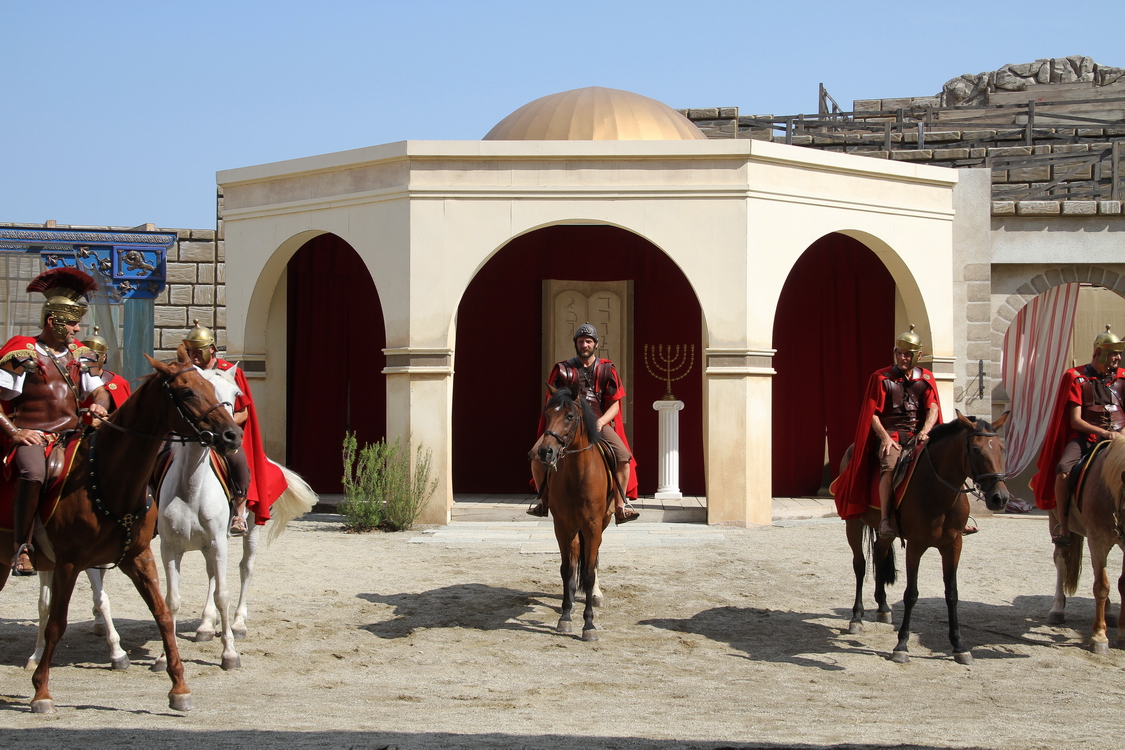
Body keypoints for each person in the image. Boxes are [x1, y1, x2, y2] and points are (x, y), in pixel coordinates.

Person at [0, 267, 110, 575]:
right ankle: (22, 547)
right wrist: (15, 431)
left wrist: (101, 405)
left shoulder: (82, 355)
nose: (77, 329)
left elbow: (99, 390)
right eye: (73, 323)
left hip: (74, 435)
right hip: (35, 435)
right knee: (33, 473)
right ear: (53, 320)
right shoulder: (23, 351)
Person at [833, 325, 942, 538]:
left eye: (907, 355)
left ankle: (951, 518)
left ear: (918, 356)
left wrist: (926, 430)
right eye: (899, 353)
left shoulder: (926, 378)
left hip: (918, 434)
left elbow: (934, 408)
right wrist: (884, 437)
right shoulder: (881, 377)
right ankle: (885, 519)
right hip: (892, 434)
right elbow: (871, 414)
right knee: (890, 466)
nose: (902, 358)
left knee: (946, 460)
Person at [180, 320, 286, 536]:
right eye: (190, 351)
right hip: (193, 435)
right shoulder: (187, 373)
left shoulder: (229, 372)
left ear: (212, 349)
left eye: (198, 351)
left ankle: (238, 512)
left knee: (238, 462)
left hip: (222, 437)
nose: (194, 356)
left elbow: (244, 412)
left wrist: (222, 425)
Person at [527, 322, 640, 524]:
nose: (584, 344)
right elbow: (552, 401)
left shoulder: (607, 369)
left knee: (624, 458)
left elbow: (615, 405)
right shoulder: (563, 369)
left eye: (588, 341)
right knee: (536, 455)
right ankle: (543, 502)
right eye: (581, 341)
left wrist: (601, 422)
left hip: (597, 422)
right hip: (568, 423)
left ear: (596, 344)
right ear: (576, 344)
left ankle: (621, 507)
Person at [1032, 325, 1125, 546]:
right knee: (1063, 470)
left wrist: (1120, 434)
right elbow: (1075, 421)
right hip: (1087, 438)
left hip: (1121, 439)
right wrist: (1103, 432)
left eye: (1119, 353)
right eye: (1113, 353)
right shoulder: (1077, 377)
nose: (1118, 357)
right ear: (1098, 352)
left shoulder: (1123, 377)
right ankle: (1064, 525)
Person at [78, 326, 131, 420]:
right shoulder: (72, 378)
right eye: (85, 356)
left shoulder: (118, 383)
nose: (90, 360)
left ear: (104, 357)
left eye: (94, 356)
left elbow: (126, 418)